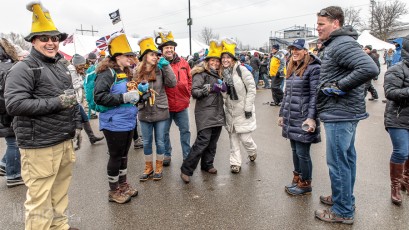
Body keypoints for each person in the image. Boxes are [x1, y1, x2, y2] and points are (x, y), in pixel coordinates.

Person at [4, 2, 81, 229]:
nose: (51, 42)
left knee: (60, 194)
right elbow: (15, 105)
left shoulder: (60, 65)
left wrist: (75, 128)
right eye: (44, 38)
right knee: (40, 203)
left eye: (54, 38)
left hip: (63, 140)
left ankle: (60, 227)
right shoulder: (23, 69)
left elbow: (72, 100)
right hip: (39, 146)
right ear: (33, 42)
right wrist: (58, 103)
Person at [314, 6, 379, 224]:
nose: (317, 28)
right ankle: (344, 199)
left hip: (340, 112)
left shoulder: (342, 44)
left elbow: (369, 68)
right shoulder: (338, 43)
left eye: (322, 24)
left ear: (336, 23)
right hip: (343, 111)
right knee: (346, 159)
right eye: (318, 23)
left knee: (338, 162)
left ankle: (343, 211)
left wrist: (339, 85)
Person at [94, 33, 140, 204]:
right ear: (118, 56)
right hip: (113, 122)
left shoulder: (125, 72)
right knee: (115, 156)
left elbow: (128, 93)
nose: (131, 58)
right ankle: (113, 191)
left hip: (128, 120)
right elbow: (99, 96)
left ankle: (123, 185)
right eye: (128, 55)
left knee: (124, 155)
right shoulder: (107, 73)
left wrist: (139, 95)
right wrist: (124, 98)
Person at [278, 39, 321, 196]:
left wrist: (311, 118)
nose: (294, 52)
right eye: (292, 49)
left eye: (298, 49)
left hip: (303, 117)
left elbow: (315, 96)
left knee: (303, 152)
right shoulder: (292, 67)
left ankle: (305, 183)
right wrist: (282, 113)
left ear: (305, 51)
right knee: (295, 150)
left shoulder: (313, 68)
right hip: (291, 116)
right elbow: (286, 94)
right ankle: (297, 177)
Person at [180, 40, 225, 183]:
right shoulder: (201, 73)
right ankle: (186, 169)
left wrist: (224, 87)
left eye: (218, 61)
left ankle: (207, 164)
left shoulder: (219, 75)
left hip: (217, 112)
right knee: (202, 142)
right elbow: (195, 92)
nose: (216, 63)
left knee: (213, 142)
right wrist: (210, 88)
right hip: (205, 112)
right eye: (213, 61)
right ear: (207, 61)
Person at [135, 36, 176, 181]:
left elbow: (172, 83)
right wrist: (139, 91)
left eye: (156, 54)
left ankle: (158, 166)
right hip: (144, 111)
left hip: (160, 109)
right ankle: (148, 167)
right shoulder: (137, 72)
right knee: (146, 142)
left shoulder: (160, 69)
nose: (156, 57)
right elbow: (133, 92)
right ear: (145, 56)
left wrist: (166, 66)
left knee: (160, 141)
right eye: (152, 54)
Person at [220, 38, 257, 174]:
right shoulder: (223, 74)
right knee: (233, 139)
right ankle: (235, 163)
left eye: (227, 57)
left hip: (243, 110)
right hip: (230, 111)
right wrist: (222, 90)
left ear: (233, 59)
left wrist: (248, 107)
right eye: (223, 58)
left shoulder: (242, 71)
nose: (225, 60)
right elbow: (226, 96)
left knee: (246, 139)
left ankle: (252, 151)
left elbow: (252, 89)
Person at [155, 30, 192, 167]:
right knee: (164, 132)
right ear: (162, 50)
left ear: (174, 49)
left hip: (182, 104)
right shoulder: (158, 64)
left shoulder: (184, 63)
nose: (169, 50)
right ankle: (167, 154)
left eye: (171, 47)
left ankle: (187, 156)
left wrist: (188, 94)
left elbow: (190, 79)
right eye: (166, 48)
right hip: (166, 105)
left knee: (185, 131)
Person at [383, 35, 409, 206]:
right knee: (402, 151)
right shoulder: (397, 69)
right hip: (397, 117)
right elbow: (390, 92)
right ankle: (395, 186)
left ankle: (406, 179)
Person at [0, 38, 24, 188]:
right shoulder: (6, 67)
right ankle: (13, 175)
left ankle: (4, 165)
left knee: (12, 142)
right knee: (14, 143)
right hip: (8, 112)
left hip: (4, 112)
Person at [68, 54, 104, 147]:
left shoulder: (76, 70)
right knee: (78, 120)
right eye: (82, 65)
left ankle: (91, 137)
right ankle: (72, 143)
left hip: (76, 99)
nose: (84, 67)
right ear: (77, 64)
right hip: (72, 100)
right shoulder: (71, 71)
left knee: (84, 118)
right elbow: (74, 85)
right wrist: (85, 82)